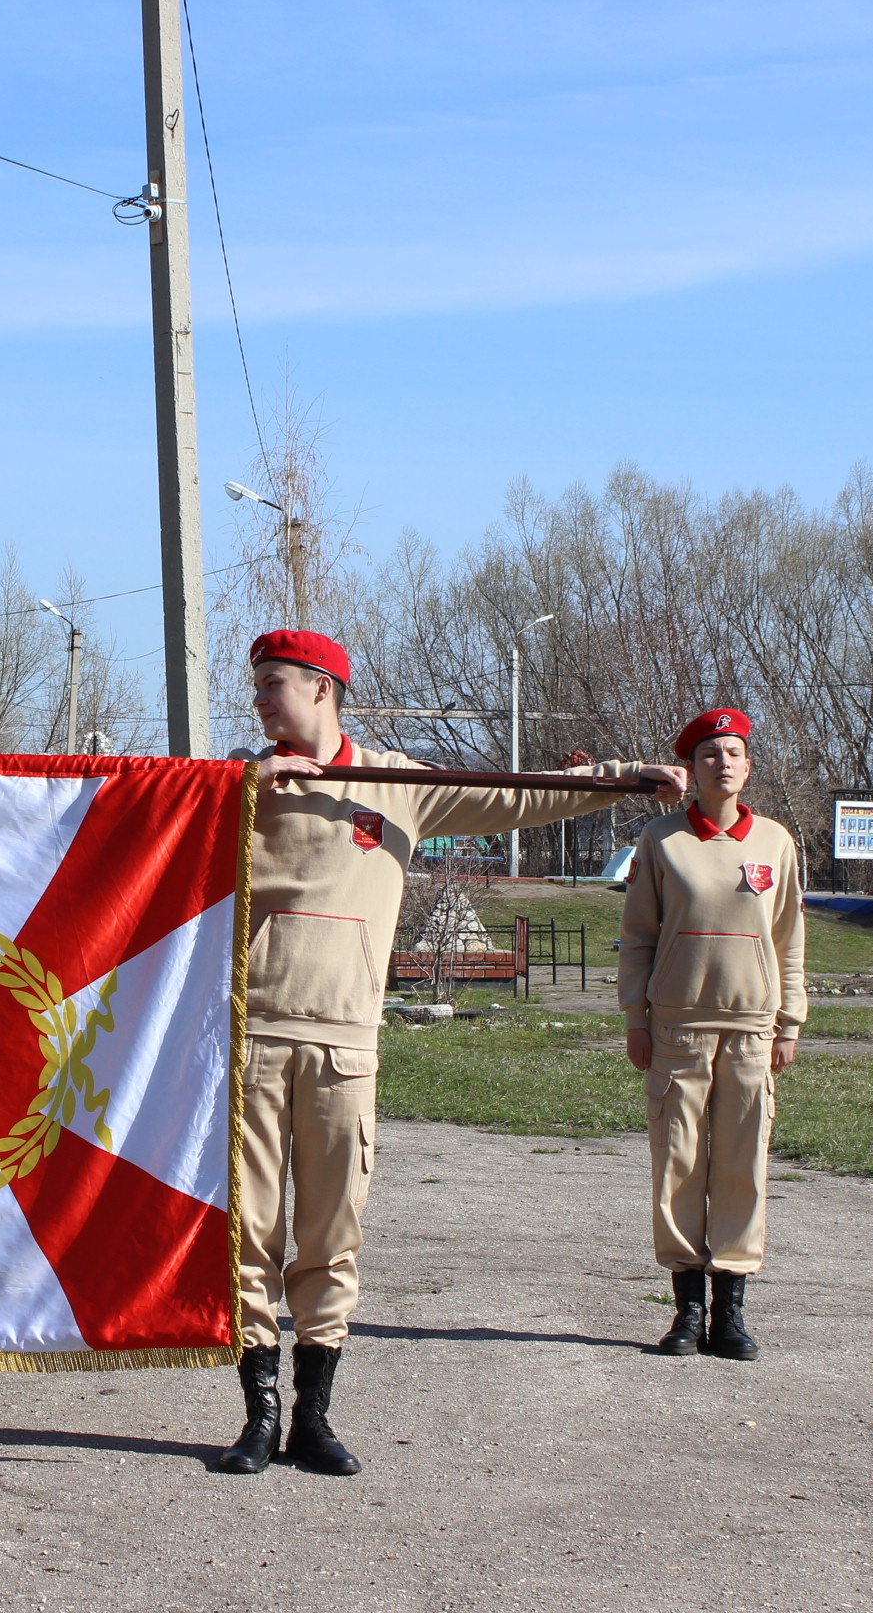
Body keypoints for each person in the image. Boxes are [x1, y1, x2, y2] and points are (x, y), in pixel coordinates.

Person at [222, 630, 687, 1475]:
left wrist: (616, 781)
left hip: (345, 1052)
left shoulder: (399, 786)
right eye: (256, 687)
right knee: (249, 1235)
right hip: (253, 1041)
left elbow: (515, 795)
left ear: (323, 690)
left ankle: (313, 1418)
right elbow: (149, 831)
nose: (258, 700)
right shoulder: (237, 787)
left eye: (274, 685)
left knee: (333, 1234)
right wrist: (241, 790)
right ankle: (257, 1415)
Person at [618, 707, 806, 1361]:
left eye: (733, 752)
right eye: (708, 755)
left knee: (741, 1164)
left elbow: (789, 942)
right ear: (691, 771)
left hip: (752, 1030)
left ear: (749, 766)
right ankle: (685, 1311)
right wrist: (636, 1019)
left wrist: (790, 1020)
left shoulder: (776, 843)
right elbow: (638, 939)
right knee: (678, 1162)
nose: (721, 763)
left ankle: (731, 1310)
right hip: (678, 1029)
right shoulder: (662, 841)